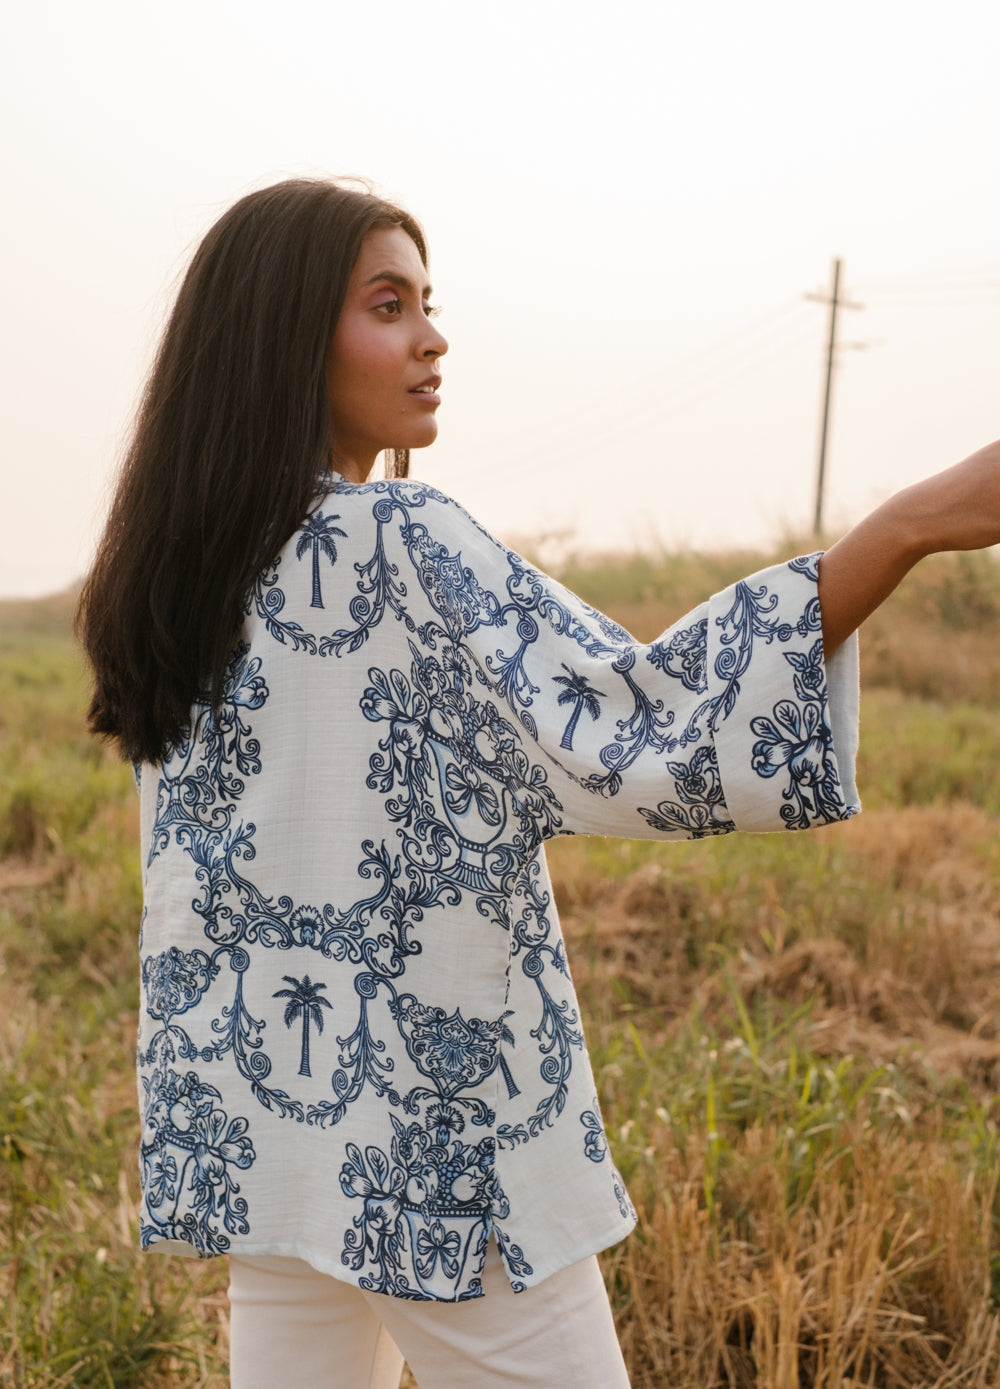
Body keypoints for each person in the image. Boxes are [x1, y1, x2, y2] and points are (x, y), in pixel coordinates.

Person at [76, 178, 1000, 1389]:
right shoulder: (400, 545)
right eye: (388, 304)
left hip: (260, 1143)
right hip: (441, 1147)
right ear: (285, 334)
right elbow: (647, 723)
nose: (432, 336)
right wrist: (914, 522)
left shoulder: (170, 580)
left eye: (427, 302)